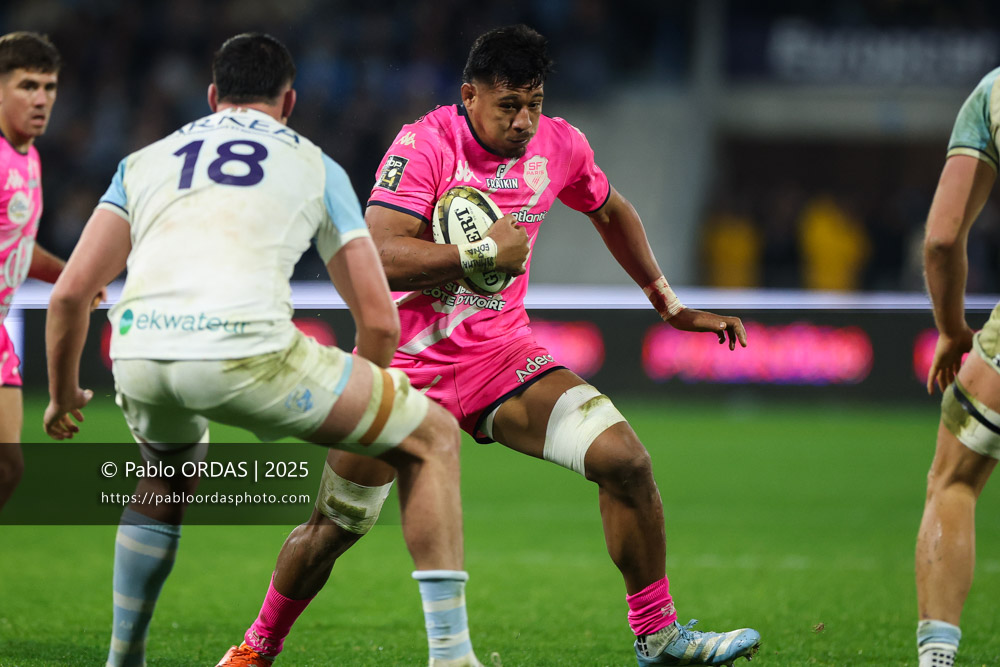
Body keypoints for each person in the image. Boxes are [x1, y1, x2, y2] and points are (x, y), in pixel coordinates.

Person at [221, 25, 760, 667]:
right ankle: (256, 648)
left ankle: (659, 639)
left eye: (534, 103)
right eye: (508, 106)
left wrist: (667, 303)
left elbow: (611, 210)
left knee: (626, 462)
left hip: (502, 360)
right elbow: (376, 254)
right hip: (407, 370)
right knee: (336, 526)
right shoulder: (425, 143)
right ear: (469, 96)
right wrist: (478, 253)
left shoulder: (562, 145)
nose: (525, 121)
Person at [44, 33, 482, 667]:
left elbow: (69, 296)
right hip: (248, 352)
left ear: (213, 96)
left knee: (164, 474)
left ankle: (124, 657)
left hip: (140, 352)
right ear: (290, 101)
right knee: (432, 436)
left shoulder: (144, 160)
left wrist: (63, 394)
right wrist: (367, 409)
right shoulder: (314, 165)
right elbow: (380, 321)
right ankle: (451, 657)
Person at [915, 66, 1000, 667]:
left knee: (955, 480)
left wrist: (952, 329)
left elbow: (942, 240)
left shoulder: (994, 91)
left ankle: (938, 657)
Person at [0, 31, 102, 510]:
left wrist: (70, 276)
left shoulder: (30, 158)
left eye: (50, 87)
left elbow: (17, 245)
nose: (41, 99)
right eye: (27, 86)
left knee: (8, 468)